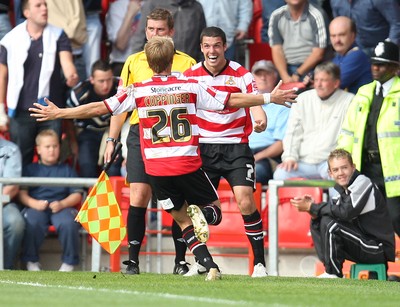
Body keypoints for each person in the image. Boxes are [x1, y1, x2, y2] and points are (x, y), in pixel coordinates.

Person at [28, 36, 298, 280]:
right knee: (213, 211)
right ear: (172, 60)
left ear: (149, 62)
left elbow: (100, 107)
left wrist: (60, 113)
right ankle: (204, 220)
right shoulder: (190, 84)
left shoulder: (138, 90)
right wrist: (267, 98)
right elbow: (230, 101)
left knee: (182, 220)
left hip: (156, 168)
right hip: (187, 163)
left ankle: (207, 263)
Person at [105, 8, 197, 276]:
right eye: (151, 30)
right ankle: (132, 261)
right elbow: (120, 106)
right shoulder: (133, 61)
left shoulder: (188, 63)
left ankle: (180, 262)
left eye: (161, 30)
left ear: (172, 32)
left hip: (175, 136)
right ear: (145, 31)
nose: (155, 34)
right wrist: (112, 139)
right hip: (139, 134)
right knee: (139, 196)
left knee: (177, 200)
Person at [183, 26, 270, 277]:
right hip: (203, 148)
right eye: (207, 46)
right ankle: (200, 262)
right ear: (201, 48)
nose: (212, 51)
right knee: (196, 208)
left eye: (217, 45)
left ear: (225, 47)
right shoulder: (190, 76)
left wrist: (260, 117)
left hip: (236, 147)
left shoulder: (242, 74)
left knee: (245, 200)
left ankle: (259, 264)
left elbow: (255, 101)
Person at [290, 148, 395, 278]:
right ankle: (329, 268)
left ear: (353, 167)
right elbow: (332, 212)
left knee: (331, 223)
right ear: (330, 173)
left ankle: (333, 273)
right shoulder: (342, 191)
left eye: (344, 168)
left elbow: (346, 212)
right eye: (336, 170)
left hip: (378, 249)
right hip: (363, 244)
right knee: (322, 220)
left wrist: (313, 207)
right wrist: (312, 211)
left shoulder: (363, 182)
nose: (341, 173)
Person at [0, 0, 79, 167]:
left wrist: (71, 75)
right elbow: (2, 75)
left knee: (51, 159)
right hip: (21, 111)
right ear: (26, 12)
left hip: (49, 110)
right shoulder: (10, 39)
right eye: (38, 5)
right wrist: (1, 108)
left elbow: (67, 62)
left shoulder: (58, 34)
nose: (44, 8)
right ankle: (21, 193)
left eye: (45, 5)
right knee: (20, 160)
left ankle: (49, 192)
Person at [337, 40, 400, 237]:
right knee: (367, 223)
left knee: (397, 218)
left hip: (393, 170)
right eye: (373, 63)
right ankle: (375, 267)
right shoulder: (364, 92)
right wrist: (341, 164)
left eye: (381, 64)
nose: (375, 68)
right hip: (365, 168)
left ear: (394, 67)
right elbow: (348, 132)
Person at [273, 62, 354, 181]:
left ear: (336, 83)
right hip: (303, 162)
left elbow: (349, 136)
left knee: (340, 176)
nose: (319, 84)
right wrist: (290, 157)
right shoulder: (302, 99)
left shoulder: (349, 100)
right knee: (280, 174)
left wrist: (338, 163)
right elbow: (293, 131)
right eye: (316, 80)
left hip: (331, 163)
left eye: (324, 80)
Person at [18, 129, 83, 271]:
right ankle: (31, 261)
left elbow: (77, 194)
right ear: (38, 149)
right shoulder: (30, 170)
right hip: (36, 207)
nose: (52, 150)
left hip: (62, 207)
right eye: (47, 147)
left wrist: (62, 204)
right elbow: (22, 194)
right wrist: (34, 203)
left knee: (68, 223)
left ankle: (69, 263)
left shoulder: (67, 170)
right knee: (32, 221)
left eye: (55, 146)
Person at [66, 59, 121, 178]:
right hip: (88, 132)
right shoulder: (78, 94)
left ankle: (111, 196)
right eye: (101, 81)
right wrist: (73, 142)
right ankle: (89, 196)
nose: (106, 85)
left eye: (109, 80)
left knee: (113, 168)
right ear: (91, 79)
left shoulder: (121, 87)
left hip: (113, 132)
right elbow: (68, 118)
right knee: (86, 167)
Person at [249, 60, 290, 185]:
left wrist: (256, 158)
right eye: (258, 74)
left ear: (275, 76)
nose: (262, 77)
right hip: (244, 152)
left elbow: (281, 144)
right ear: (252, 78)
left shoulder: (283, 106)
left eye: (267, 73)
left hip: (268, 157)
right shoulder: (246, 103)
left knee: (253, 174)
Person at [268, 0, 329, 83]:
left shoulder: (317, 15)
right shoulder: (276, 16)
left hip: (313, 68)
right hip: (286, 68)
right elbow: (277, 49)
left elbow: (318, 53)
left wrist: (298, 73)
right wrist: (284, 76)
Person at [129, 0, 206, 62]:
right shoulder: (152, 3)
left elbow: (202, 41)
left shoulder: (196, 8)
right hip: (154, 68)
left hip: (189, 68)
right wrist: (138, 65)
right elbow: (139, 40)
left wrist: (200, 67)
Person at [330, 0, 400, 57]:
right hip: (352, 51)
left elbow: (397, 23)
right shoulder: (336, 1)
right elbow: (338, 26)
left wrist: (388, 49)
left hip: (380, 49)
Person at [329, 16, 372, 94]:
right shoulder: (338, 56)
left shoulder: (357, 56)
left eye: (341, 35)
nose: (337, 40)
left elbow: (331, 86)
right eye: (333, 36)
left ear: (353, 35)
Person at [1, 137, 25, 270]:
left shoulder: (11, 149)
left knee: (15, 222)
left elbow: (12, 188)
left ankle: (6, 267)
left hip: (2, 202)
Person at [106, 0, 142, 76]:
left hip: (149, 62)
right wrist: (130, 14)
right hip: (123, 62)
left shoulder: (154, 4)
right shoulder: (118, 6)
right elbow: (120, 45)